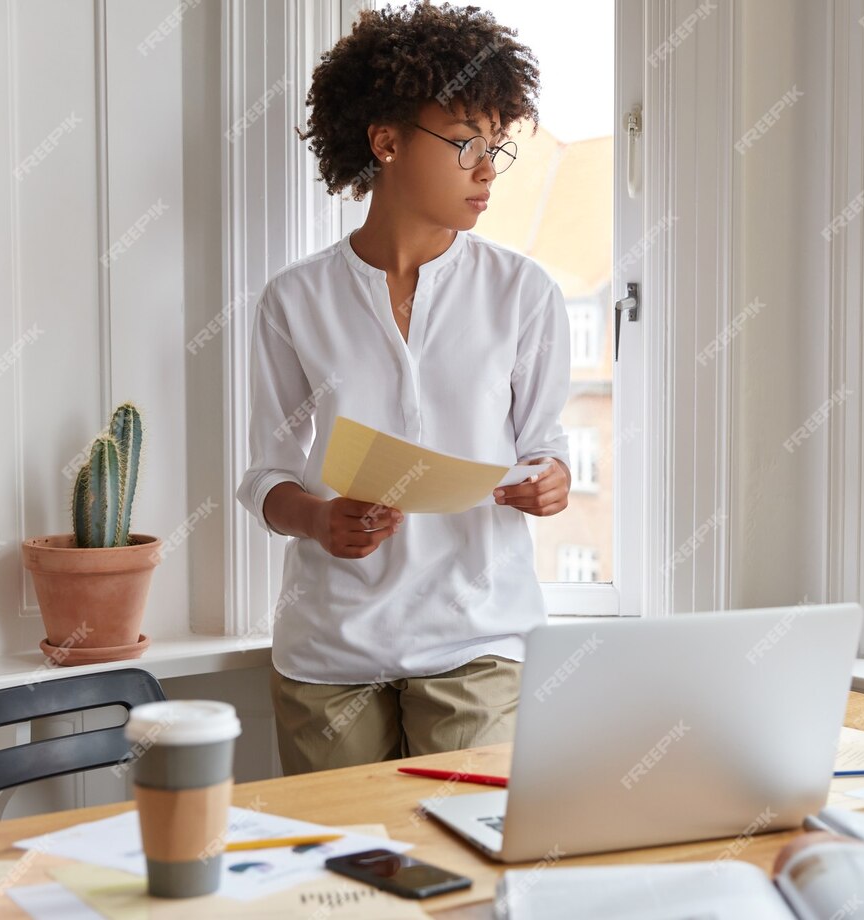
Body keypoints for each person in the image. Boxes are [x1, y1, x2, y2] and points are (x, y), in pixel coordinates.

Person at [235, 1, 571, 775]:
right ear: (384, 142)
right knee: (349, 878)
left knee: (464, 854)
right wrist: (320, 520)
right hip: (330, 645)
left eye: (497, 148)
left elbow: (545, 448)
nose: (487, 170)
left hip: (478, 635)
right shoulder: (294, 300)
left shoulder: (523, 292)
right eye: (464, 145)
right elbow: (264, 477)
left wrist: (551, 482)